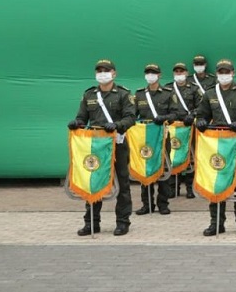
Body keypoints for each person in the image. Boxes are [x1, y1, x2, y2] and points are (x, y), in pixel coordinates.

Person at [68, 59, 136, 236]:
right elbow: (82, 117)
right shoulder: (89, 94)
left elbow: (130, 118)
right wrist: (77, 123)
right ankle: (91, 222)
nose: (102, 74)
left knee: (122, 183)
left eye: (106, 70)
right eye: (99, 71)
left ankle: (122, 222)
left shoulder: (123, 94)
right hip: (95, 145)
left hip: (117, 143)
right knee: (93, 181)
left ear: (114, 73)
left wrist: (117, 125)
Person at [195, 59, 236, 236]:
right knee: (216, 180)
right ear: (217, 74)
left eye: (227, 72)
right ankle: (216, 222)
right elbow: (201, 115)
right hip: (216, 145)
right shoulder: (209, 94)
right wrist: (200, 122)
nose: (224, 75)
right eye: (221, 72)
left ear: (232, 73)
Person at [133, 64, 178, 215]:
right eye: (148, 73)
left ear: (159, 75)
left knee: (163, 169)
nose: (150, 75)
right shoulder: (139, 94)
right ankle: (147, 204)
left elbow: (175, 114)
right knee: (145, 168)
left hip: (161, 136)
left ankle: (163, 204)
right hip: (145, 138)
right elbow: (132, 115)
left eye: (153, 73)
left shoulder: (167, 93)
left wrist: (164, 118)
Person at [165, 62, 202, 198]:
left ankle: (190, 187)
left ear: (186, 73)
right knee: (173, 155)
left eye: (181, 72)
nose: (179, 74)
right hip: (173, 127)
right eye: (177, 72)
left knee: (190, 156)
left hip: (188, 126)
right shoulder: (168, 88)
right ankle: (173, 188)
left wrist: (192, 115)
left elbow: (201, 106)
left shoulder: (193, 88)